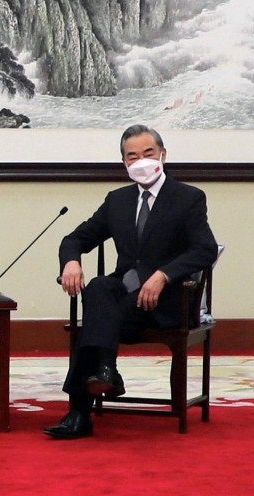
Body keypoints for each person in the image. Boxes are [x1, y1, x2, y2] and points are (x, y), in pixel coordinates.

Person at [44, 124, 218, 439]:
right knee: (98, 287)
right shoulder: (118, 201)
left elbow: (204, 249)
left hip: (166, 300)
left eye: (148, 153)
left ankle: (80, 412)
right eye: (132, 156)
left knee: (96, 319)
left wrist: (163, 275)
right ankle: (106, 371)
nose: (141, 161)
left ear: (163, 155)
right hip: (125, 299)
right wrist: (71, 261)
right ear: (124, 163)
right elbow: (76, 238)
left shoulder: (188, 198)